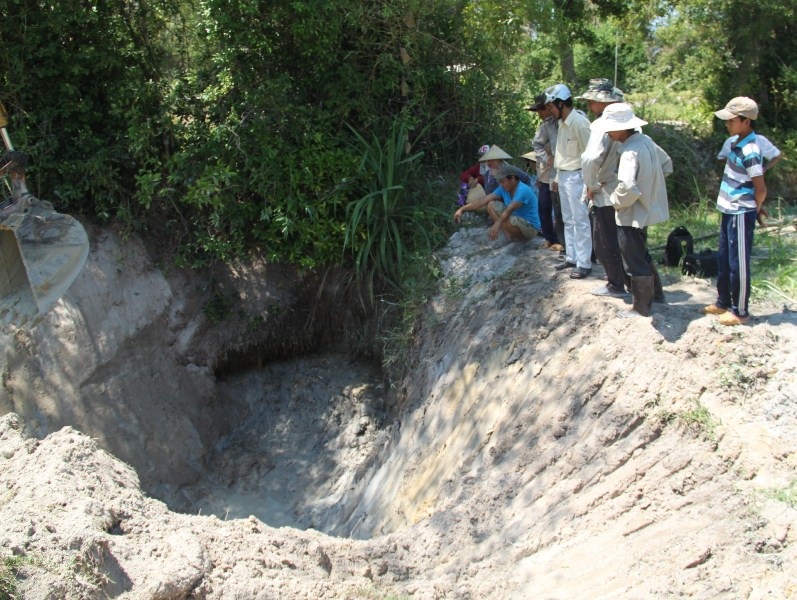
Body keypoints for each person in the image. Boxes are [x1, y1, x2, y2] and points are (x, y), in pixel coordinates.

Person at [590, 103, 672, 318]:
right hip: (645, 207)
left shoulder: (628, 151)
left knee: (633, 257)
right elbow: (667, 165)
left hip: (631, 212)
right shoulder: (646, 141)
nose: (607, 132)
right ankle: (658, 295)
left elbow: (626, 186)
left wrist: (616, 200)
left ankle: (641, 307)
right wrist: (650, 187)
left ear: (622, 128)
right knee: (641, 252)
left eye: (610, 128)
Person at [703, 97, 767, 326]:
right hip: (728, 209)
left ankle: (740, 310)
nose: (727, 123)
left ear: (746, 121)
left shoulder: (750, 149)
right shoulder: (735, 143)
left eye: (731, 119)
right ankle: (723, 302)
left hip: (740, 212)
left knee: (738, 262)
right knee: (723, 258)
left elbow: (760, 188)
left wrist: (755, 210)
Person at [577, 78, 629, 298]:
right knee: (626, 239)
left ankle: (616, 284)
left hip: (605, 189)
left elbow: (589, 158)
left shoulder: (602, 125)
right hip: (625, 187)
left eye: (592, 101)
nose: (589, 105)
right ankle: (634, 285)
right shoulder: (630, 123)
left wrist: (589, 185)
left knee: (604, 240)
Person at [545, 84, 593, 279]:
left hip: (578, 175)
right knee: (567, 218)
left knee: (580, 219)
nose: (549, 110)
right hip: (564, 175)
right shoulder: (562, 123)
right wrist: (557, 177)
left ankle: (584, 262)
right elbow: (562, 155)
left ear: (561, 103)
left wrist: (590, 182)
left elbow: (590, 155)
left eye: (551, 106)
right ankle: (571, 257)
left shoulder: (579, 123)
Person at [453, 164, 541, 244]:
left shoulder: (523, 190)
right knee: (490, 204)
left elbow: (509, 210)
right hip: (516, 219)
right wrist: (462, 209)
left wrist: (497, 224)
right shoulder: (503, 188)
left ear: (513, 178)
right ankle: (509, 235)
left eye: (503, 181)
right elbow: (484, 200)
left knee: (506, 218)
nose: (501, 184)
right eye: (499, 182)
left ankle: (522, 240)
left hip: (531, 227)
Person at [717, 133, 780, 227]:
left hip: (752, 182)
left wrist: (765, 168)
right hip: (734, 186)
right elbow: (720, 158)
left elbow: (777, 155)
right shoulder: (731, 141)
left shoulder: (759, 141)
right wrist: (736, 161)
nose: (728, 124)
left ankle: (755, 215)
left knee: (748, 206)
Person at [528, 94, 564, 252]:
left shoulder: (565, 123)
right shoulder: (545, 126)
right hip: (545, 175)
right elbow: (537, 146)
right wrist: (546, 159)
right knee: (543, 207)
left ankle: (560, 240)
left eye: (542, 110)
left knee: (559, 210)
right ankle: (549, 237)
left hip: (561, 173)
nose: (540, 113)